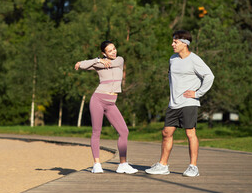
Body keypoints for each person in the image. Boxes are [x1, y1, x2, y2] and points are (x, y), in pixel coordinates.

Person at [145, 30, 214, 177]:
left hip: (189, 102)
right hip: (174, 103)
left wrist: (198, 93)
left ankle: (193, 167)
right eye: (173, 41)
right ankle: (163, 165)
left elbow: (209, 76)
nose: (172, 44)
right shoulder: (173, 59)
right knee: (166, 133)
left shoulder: (194, 59)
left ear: (185, 43)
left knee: (190, 133)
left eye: (175, 42)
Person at [74, 40, 138, 174]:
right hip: (98, 99)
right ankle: (96, 164)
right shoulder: (99, 62)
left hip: (111, 103)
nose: (114, 51)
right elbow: (83, 66)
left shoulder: (119, 60)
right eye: (110, 51)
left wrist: (97, 62)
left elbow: (110, 63)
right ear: (104, 53)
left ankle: (123, 164)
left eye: (114, 48)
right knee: (96, 132)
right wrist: (97, 60)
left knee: (124, 131)